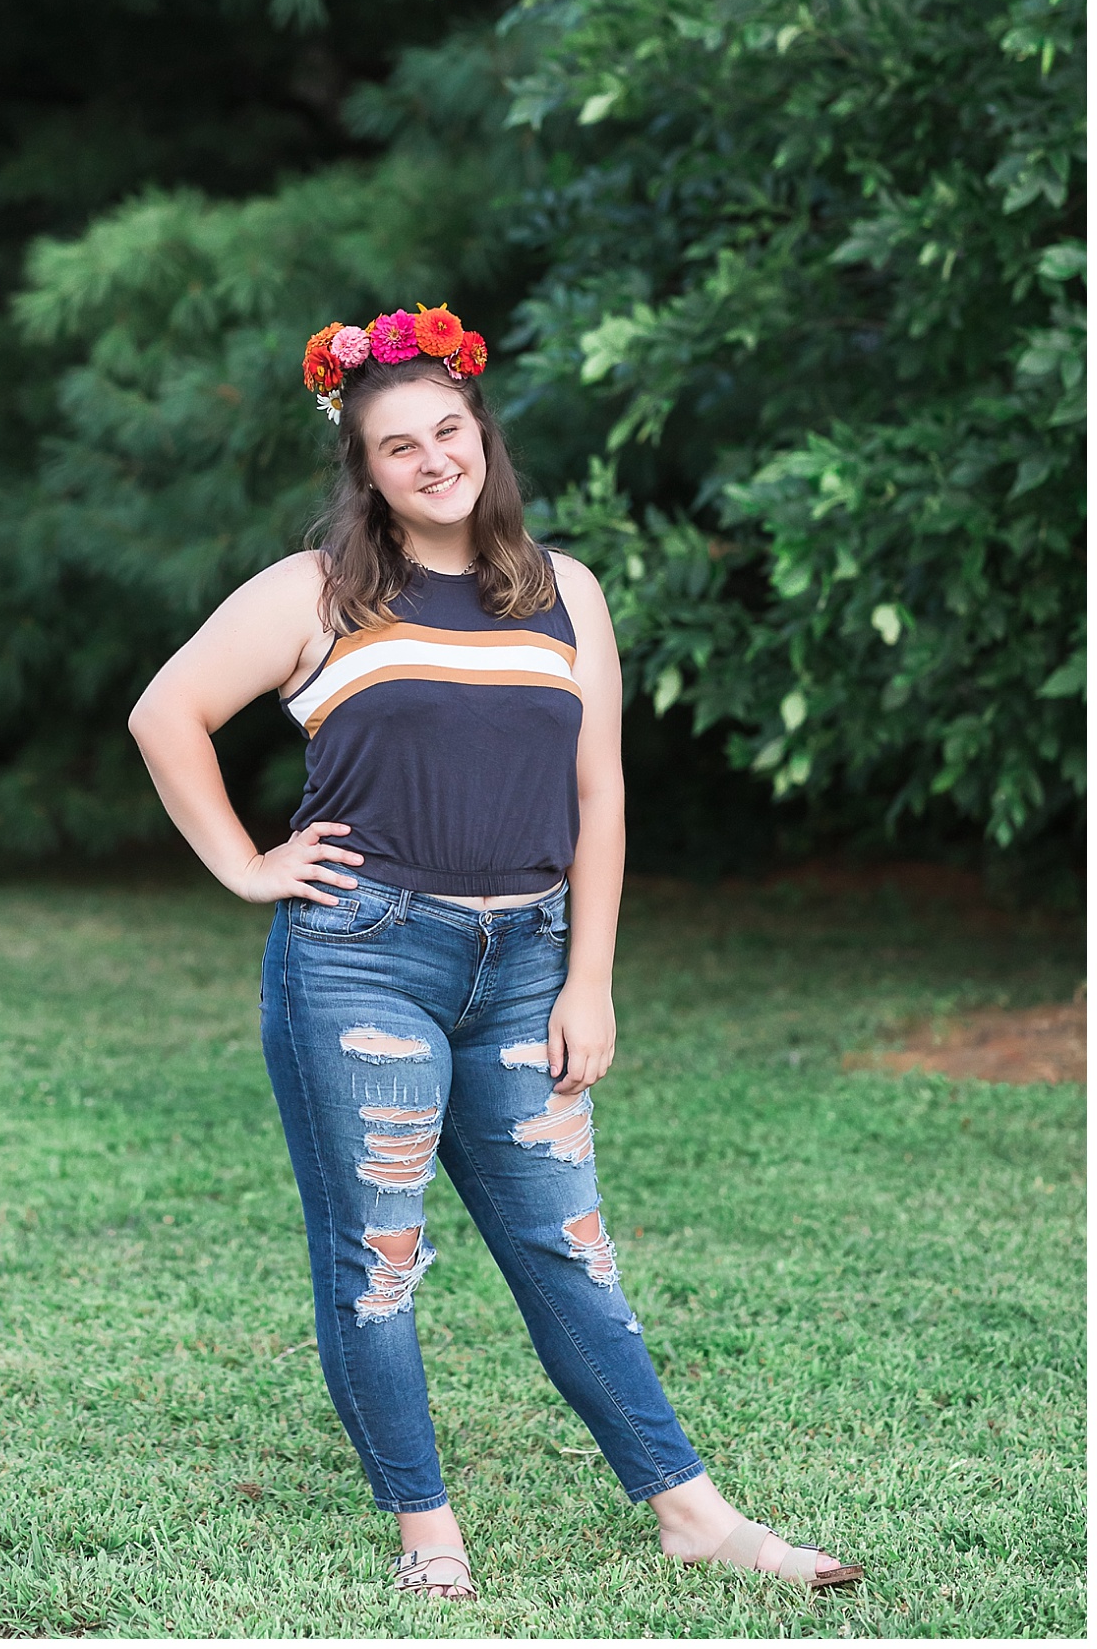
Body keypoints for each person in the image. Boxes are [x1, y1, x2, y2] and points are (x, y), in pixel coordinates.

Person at [128, 303, 863, 1601]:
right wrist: (247, 864)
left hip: (527, 963)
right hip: (363, 963)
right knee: (379, 1263)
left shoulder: (564, 591)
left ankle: (693, 1513)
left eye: (448, 431)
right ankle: (429, 1534)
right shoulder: (319, 593)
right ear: (364, 468)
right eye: (397, 444)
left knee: (569, 1244)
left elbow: (600, 795)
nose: (430, 459)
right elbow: (164, 710)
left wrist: (589, 976)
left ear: (482, 436)